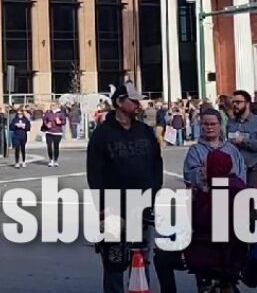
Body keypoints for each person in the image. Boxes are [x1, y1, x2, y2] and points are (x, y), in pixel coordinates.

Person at [86, 82, 173, 293]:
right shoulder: (102, 134)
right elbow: (95, 173)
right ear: (119, 102)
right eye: (133, 100)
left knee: (143, 259)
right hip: (114, 207)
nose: (138, 104)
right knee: (114, 261)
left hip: (142, 206)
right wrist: (102, 208)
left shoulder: (144, 131)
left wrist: (153, 192)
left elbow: (156, 163)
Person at [182, 149, 250, 293]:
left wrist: (194, 202)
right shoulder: (238, 186)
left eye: (205, 166)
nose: (202, 170)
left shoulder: (217, 192)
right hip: (237, 251)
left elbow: (201, 221)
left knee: (163, 257)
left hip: (212, 250)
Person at [183, 109, 244, 191]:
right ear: (201, 126)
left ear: (220, 125)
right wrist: (203, 173)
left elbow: (241, 173)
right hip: (205, 196)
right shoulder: (195, 151)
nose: (209, 127)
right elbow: (189, 176)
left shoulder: (231, 149)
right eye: (206, 124)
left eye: (213, 124)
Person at [225, 90, 257, 189]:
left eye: (238, 102)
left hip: (255, 169)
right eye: (233, 102)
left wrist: (244, 141)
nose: (235, 105)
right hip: (235, 169)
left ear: (247, 104)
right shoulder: (231, 123)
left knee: (250, 200)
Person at [43, 100, 67, 167]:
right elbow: (44, 119)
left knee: (56, 147)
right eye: (51, 105)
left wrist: (60, 122)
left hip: (57, 132)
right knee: (49, 146)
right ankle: (51, 160)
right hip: (49, 131)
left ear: (57, 106)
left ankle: (55, 160)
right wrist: (46, 124)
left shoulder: (60, 113)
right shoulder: (48, 113)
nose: (51, 106)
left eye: (53, 105)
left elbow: (64, 121)